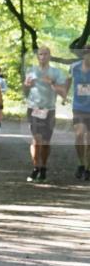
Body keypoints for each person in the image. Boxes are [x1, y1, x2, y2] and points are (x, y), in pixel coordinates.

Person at [22, 46, 68, 182]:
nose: (43, 56)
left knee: (46, 142)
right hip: (33, 108)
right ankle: (36, 167)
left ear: (50, 56)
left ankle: (43, 167)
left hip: (49, 110)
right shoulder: (31, 70)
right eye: (40, 54)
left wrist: (52, 83)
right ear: (37, 56)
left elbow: (63, 92)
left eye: (45, 54)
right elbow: (25, 90)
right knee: (36, 139)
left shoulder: (56, 72)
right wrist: (26, 85)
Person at [68, 44, 90, 181]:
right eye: (85, 51)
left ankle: (88, 168)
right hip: (79, 107)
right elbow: (67, 82)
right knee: (79, 134)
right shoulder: (74, 67)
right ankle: (81, 163)